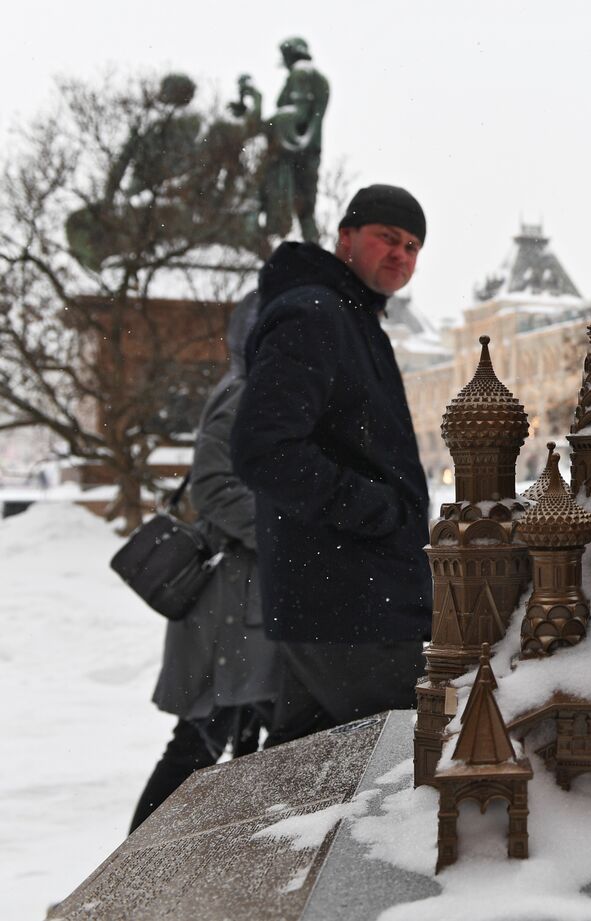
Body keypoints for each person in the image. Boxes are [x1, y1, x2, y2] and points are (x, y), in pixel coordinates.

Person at [231, 185, 430, 746]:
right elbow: (263, 448)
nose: (401, 255)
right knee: (415, 762)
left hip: (336, 603)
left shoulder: (347, 317)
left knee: (300, 791)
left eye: (413, 247)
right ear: (347, 237)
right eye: (387, 238)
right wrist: (379, 513)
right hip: (353, 605)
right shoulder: (317, 314)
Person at [132, 293, 278, 831]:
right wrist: (283, 534)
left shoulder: (261, 390)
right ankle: (130, 872)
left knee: (245, 736)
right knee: (201, 739)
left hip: (246, 605)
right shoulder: (244, 393)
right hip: (228, 608)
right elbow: (214, 487)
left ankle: (167, 866)